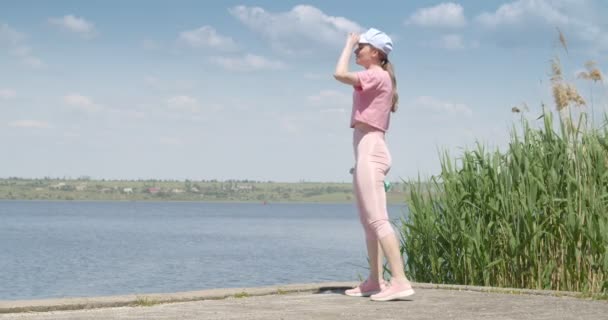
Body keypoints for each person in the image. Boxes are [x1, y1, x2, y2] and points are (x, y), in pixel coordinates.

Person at [333, 28, 415, 302]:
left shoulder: (377, 75)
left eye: (362, 46)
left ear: (376, 53)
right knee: (369, 222)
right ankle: (374, 280)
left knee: (378, 220)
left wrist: (347, 43)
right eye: (357, 46)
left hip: (370, 149)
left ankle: (400, 281)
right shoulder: (378, 75)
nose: (358, 49)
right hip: (366, 149)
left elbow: (339, 74)